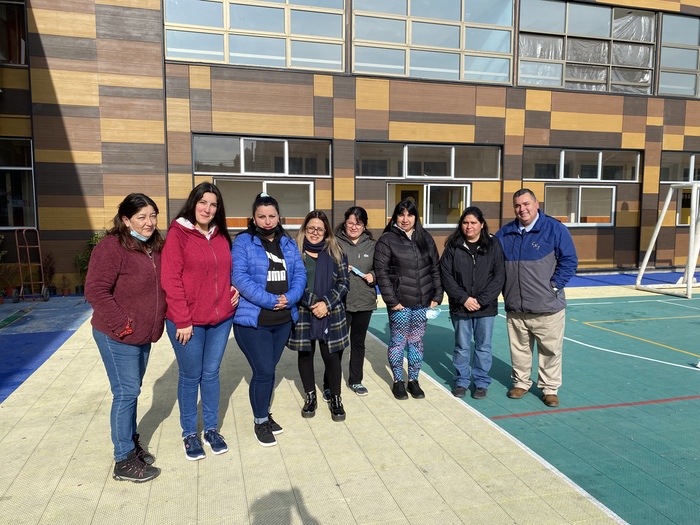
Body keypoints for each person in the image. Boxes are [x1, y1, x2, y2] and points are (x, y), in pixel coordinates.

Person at [85, 193, 166, 483]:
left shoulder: (154, 246)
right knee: (126, 392)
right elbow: (95, 291)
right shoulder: (111, 247)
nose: (149, 222)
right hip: (117, 334)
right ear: (126, 220)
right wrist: (123, 323)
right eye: (141, 217)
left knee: (132, 390)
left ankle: (131, 444)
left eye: (153, 216)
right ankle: (123, 459)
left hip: (142, 334)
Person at [161, 182, 238, 460]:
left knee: (211, 373)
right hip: (188, 321)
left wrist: (234, 288)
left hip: (220, 320)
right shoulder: (178, 234)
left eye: (213, 204)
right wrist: (182, 319)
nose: (207, 209)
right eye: (203, 202)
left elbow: (225, 270)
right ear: (193, 203)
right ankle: (189, 433)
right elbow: (170, 279)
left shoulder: (220, 235)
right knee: (191, 375)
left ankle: (211, 429)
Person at [231, 192, 306, 447]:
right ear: (253, 218)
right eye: (261, 216)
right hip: (254, 321)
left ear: (278, 217)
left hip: (282, 320)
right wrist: (270, 300)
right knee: (263, 371)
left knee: (269, 370)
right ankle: (260, 421)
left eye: (271, 216)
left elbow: (300, 274)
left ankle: (264, 411)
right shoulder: (243, 242)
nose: (267, 221)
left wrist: (290, 298)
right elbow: (239, 277)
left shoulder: (288, 243)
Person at [495, 188, 578, 408]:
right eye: (517, 205)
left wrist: (553, 286)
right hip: (516, 306)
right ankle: (521, 383)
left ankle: (549, 389)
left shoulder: (555, 229)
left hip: (547, 306)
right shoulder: (505, 233)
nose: (522, 209)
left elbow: (569, 261)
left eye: (526, 204)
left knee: (550, 351)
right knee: (519, 350)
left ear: (536, 204)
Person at [374, 199, 443, 400]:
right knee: (398, 342)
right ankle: (398, 381)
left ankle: (413, 380)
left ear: (415, 217)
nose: (405, 219)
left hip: (422, 302)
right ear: (395, 216)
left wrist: (437, 294)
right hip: (400, 304)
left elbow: (434, 268)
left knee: (416, 342)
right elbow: (382, 273)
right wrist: (392, 301)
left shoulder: (425, 238)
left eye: (410, 215)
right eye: (401, 214)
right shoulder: (387, 240)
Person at [288, 210, 350, 421]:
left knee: (331, 356)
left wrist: (326, 303)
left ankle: (336, 398)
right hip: (304, 310)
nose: (315, 233)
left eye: (319, 229)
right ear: (304, 229)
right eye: (311, 228)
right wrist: (314, 302)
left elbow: (344, 283)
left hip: (331, 311)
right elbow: (291, 282)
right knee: (305, 354)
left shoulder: (337, 251)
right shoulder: (294, 251)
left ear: (326, 232)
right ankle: (310, 396)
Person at [440, 207, 505, 400]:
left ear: (482, 224)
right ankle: (461, 381)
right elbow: (446, 275)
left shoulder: (493, 245)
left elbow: (499, 276)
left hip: (486, 307)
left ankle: (481, 382)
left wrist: (481, 300)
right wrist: (464, 299)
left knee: (483, 346)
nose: (469, 226)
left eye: (473, 223)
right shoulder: (453, 245)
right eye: (465, 222)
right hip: (461, 306)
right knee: (462, 346)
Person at [335, 206, 377, 396]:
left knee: (358, 343)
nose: (354, 227)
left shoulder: (372, 246)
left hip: (364, 302)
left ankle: (356, 381)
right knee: (337, 345)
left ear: (364, 226)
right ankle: (330, 384)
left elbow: (382, 269)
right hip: (340, 302)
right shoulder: (334, 242)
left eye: (358, 224)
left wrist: (374, 275)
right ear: (344, 223)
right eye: (350, 223)